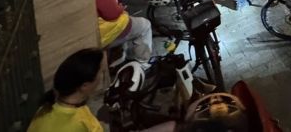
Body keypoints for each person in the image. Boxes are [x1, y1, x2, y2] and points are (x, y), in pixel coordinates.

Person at [28, 48, 179, 132]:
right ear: (85, 85)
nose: (103, 75)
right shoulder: (76, 122)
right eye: (101, 71)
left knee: (170, 126)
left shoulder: (47, 108)